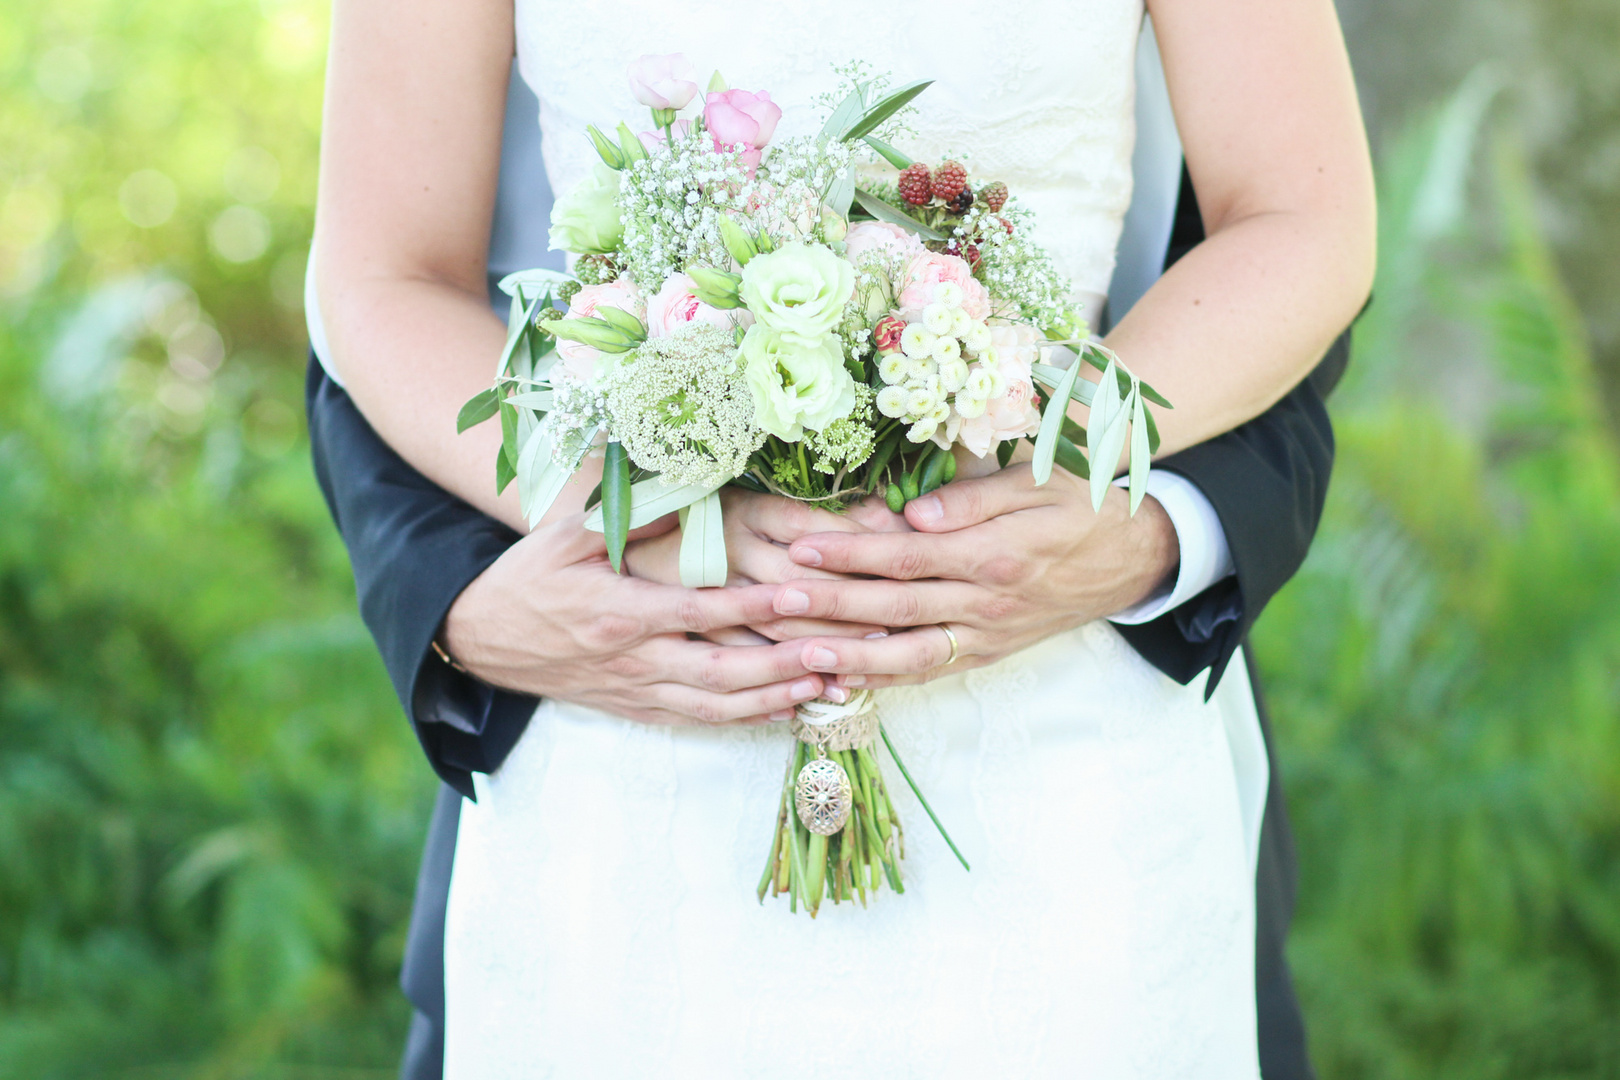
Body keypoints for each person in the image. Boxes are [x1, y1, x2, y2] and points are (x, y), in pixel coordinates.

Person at [309, 0, 1375, 1073]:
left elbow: (1299, 214)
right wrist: (619, 511)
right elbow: (384, 272)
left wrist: (1077, 455)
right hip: (634, 713)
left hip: (1050, 687)